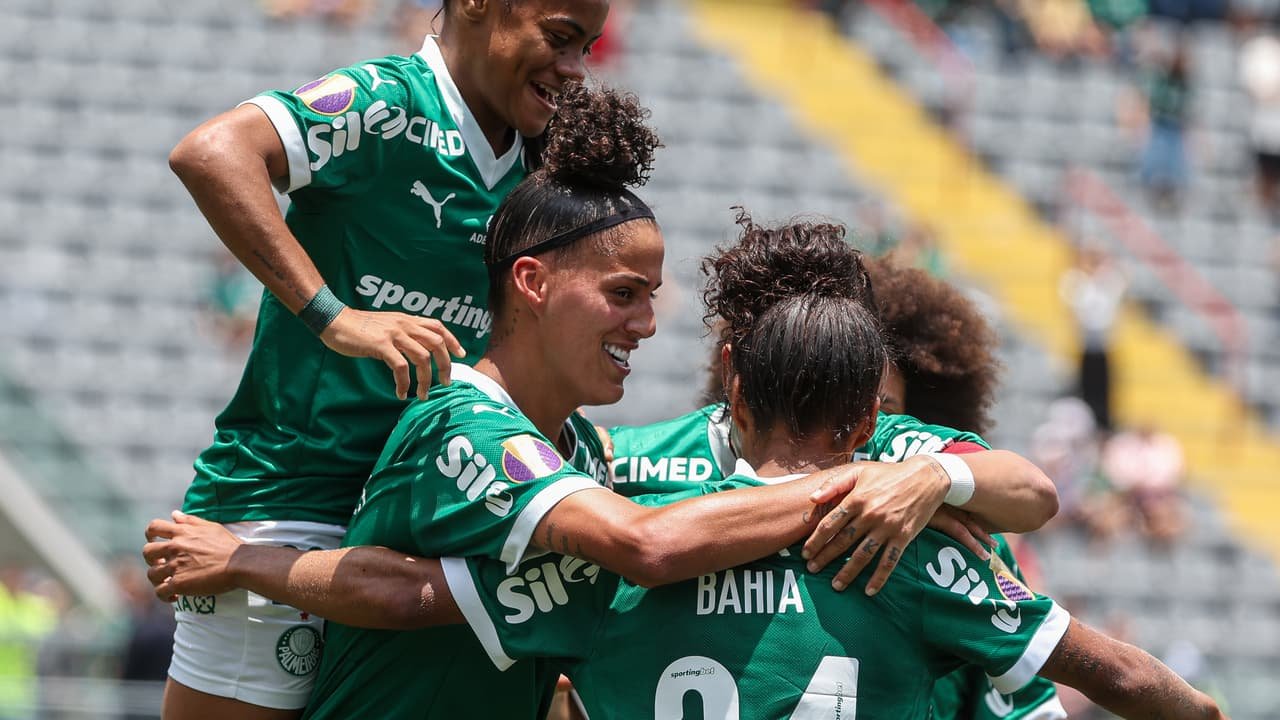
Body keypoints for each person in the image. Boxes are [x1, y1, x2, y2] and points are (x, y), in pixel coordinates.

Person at [148, 222, 1223, 718]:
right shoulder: (901, 529)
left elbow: (425, 594)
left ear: (733, 385)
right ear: (870, 411)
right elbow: (1117, 679)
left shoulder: (622, 501)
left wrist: (249, 561)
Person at [150, 88, 991, 719]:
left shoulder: (585, 454)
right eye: (625, 294)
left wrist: (939, 482)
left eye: (652, 297)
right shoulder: (464, 425)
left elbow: (435, 597)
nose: (648, 324)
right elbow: (645, 545)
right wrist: (856, 490)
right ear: (534, 281)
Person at [164, 0, 608, 716]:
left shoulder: (543, 166)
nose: (573, 68)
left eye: (587, 46)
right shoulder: (388, 105)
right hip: (295, 501)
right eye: (560, 37)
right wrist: (336, 318)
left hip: (432, 515)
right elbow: (212, 152)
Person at [867, 257, 1065, 719]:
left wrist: (938, 475)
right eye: (847, 406)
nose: (869, 427)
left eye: (888, 408)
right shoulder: (759, 518)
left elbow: (1029, 710)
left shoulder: (976, 550)